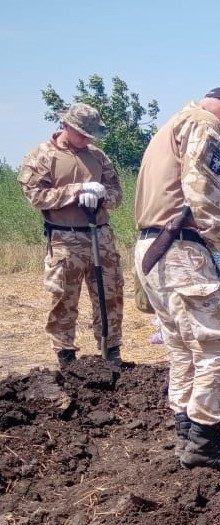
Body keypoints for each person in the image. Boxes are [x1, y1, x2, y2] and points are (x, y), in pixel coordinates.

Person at [134, 87, 220, 473]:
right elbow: (201, 188)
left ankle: (186, 434)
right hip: (182, 248)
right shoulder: (205, 124)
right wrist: (217, 244)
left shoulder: (169, 127)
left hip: (152, 248)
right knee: (217, 343)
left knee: (184, 347)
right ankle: (204, 443)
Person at [17, 102, 124, 370]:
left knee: (110, 294)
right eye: (82, 133)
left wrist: (102, 195)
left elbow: (116, 194)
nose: (87, 139)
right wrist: (76, 191)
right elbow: (36, 196)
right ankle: (66, 357)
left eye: (90, 135)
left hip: (101, 236)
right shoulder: (42, 156)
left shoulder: (98, 157)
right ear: (66, 126)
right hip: (65, 239)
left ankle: (111, 351)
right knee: (64, 298)